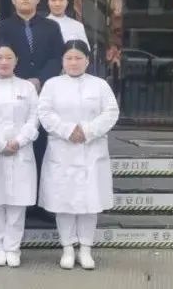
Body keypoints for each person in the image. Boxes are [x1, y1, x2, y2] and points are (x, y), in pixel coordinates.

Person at [37, 40, 118, 270]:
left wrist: (88, 130)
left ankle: (86, 249)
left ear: (87, 61)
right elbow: (44, 112)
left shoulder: (100, 85)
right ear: (62, 61)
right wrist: (68, 130)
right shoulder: (52, 85)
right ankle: (67, 248)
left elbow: (111, 112)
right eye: (69, 58)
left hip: (91, 150)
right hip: (62, 149)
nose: (74, 62)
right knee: (64, 202)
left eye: (78, 58)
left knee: (90, 202)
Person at [0, 45, 40, 268]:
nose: (4, 62)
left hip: (20, 151)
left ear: (16, 60)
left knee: (17, 203)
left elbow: (34, 119)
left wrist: (19, 141)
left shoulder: (27, 88)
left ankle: (12, 247)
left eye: (9, 57)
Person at [0, 0, 66, 92]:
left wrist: (40, 80)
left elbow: (57, 58)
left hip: (46, 87)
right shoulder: (1, 28)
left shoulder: (52, 27)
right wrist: (20, 82)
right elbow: (0, 58)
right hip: (11, 87)